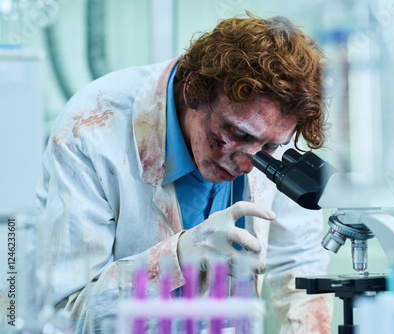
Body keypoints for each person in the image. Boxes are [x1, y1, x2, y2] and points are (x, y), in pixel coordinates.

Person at [37, 12, 333, 333]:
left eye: (270, 148)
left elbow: (299, 266)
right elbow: (63, 317)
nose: (249, 165)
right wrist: (174, 259)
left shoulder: (275, 128)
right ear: (193, 91)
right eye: (235, 134)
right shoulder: (93, 129)